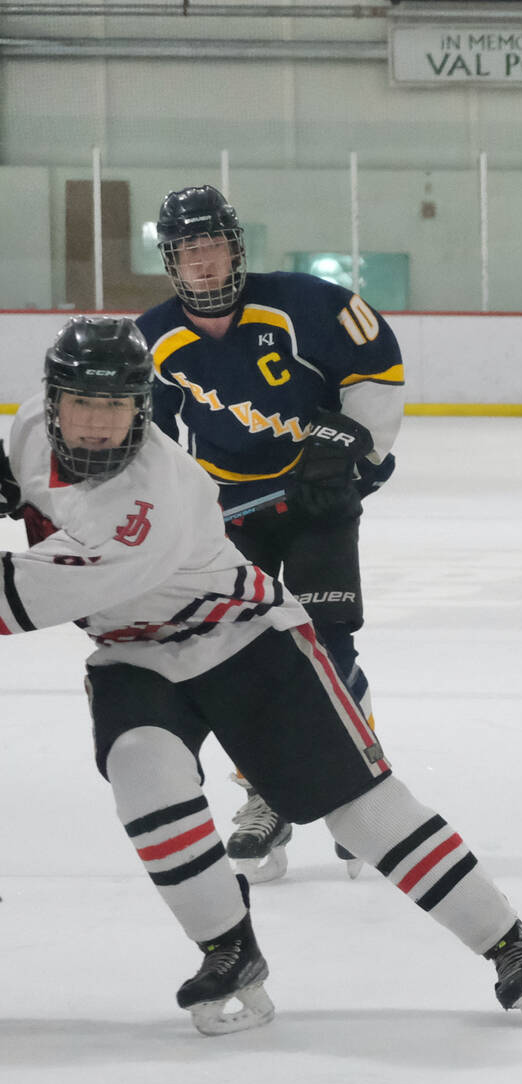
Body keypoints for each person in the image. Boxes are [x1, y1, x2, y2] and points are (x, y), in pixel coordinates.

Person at [0, 317, 522, 1035]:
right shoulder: (29, 428)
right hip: (131, 653)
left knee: (359, 807)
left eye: (112, 407)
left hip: (245, 643)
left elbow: (15, 600)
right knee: (141, 773)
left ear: (141, 411)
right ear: (51, 399)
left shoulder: (149, 503)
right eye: (78, 404)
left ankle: (511, 943)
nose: (92, 424)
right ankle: (229, 948)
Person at [136, 185, 402, 883]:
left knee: (327, 642)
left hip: (312, 503)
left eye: (212, 245)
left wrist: (354, 449)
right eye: (187, 249)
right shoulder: (151, 337)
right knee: (243, 660)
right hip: (223, 516)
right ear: (170, 259)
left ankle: (361, 795)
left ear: (235, 247)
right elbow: (144, 441)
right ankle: (266, 796)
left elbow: (374, 369)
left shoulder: (304, 304)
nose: (201, 261)